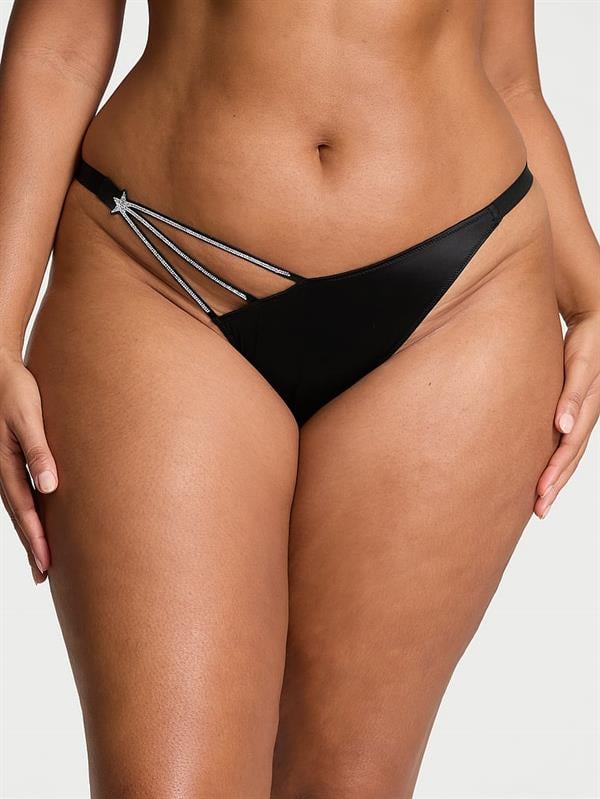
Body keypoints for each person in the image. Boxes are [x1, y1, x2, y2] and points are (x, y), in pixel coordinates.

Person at [0, 1, 598, 796]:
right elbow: (61, 50)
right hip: (159, 272)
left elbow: (510, 76)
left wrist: (591, 297)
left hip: (459, 300)